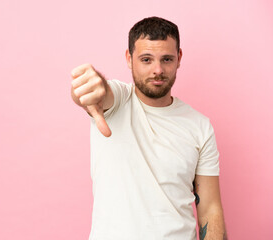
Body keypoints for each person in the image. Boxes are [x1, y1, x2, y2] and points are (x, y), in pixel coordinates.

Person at [71, 16, 227, 240]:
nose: (157, 70)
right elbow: (101, 94)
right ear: (129, 58)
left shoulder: (200, 126)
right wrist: (88, 88)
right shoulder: (118, 101)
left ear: (179, 58)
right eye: (146, 59)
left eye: (166, 59)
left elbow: (210, 207)